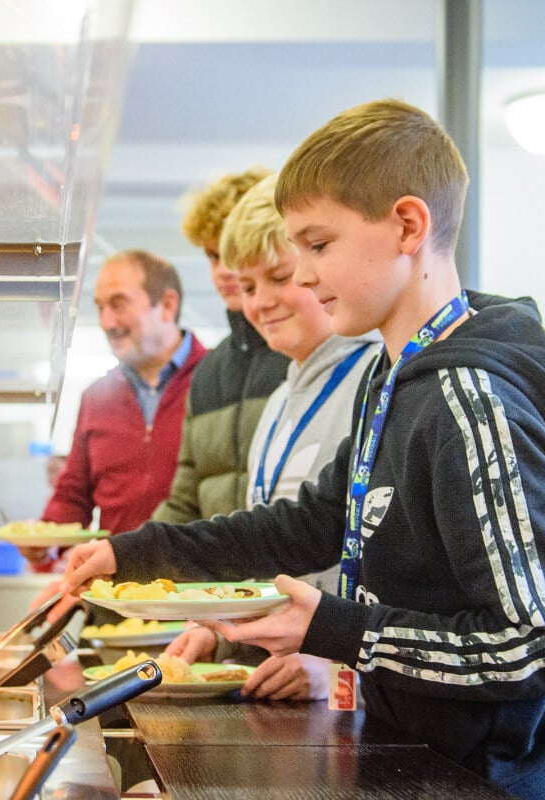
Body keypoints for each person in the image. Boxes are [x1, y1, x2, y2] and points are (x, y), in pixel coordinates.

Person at [55, 99, 545, 799]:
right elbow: (311, 521)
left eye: (317, 245)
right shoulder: (392, 372)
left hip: (499, 778)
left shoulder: (470, 398)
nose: (304, 274)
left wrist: (339, 630)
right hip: (417, 757)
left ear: (408, 225)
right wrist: (133, 552)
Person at [166, 172, 380, 701]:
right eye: (246, 287)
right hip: (282, 681)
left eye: (279, 277)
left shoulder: (375, 377)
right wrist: (220, 624)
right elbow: (276, 545)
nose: (259, 304)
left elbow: (385, 569)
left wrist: (334, 664)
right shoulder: (283, 395)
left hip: (352, 694)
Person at [33, 250, 207, 561]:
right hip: (118, 591)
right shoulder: (95, 398)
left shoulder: (217, 380)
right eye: (99, 307)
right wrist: (44, 538)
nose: (106, 322)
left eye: (118, 304)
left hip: (200, 592)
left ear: (167, 305)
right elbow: (74, 493)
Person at [150, 167, 289, 524]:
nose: (224, 270)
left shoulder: (307, 354)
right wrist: (123, 556)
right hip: (224, 579)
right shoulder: (208, 372)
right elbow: (185, 503)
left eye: (235, 250)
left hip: (294, 577)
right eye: (213, 255)